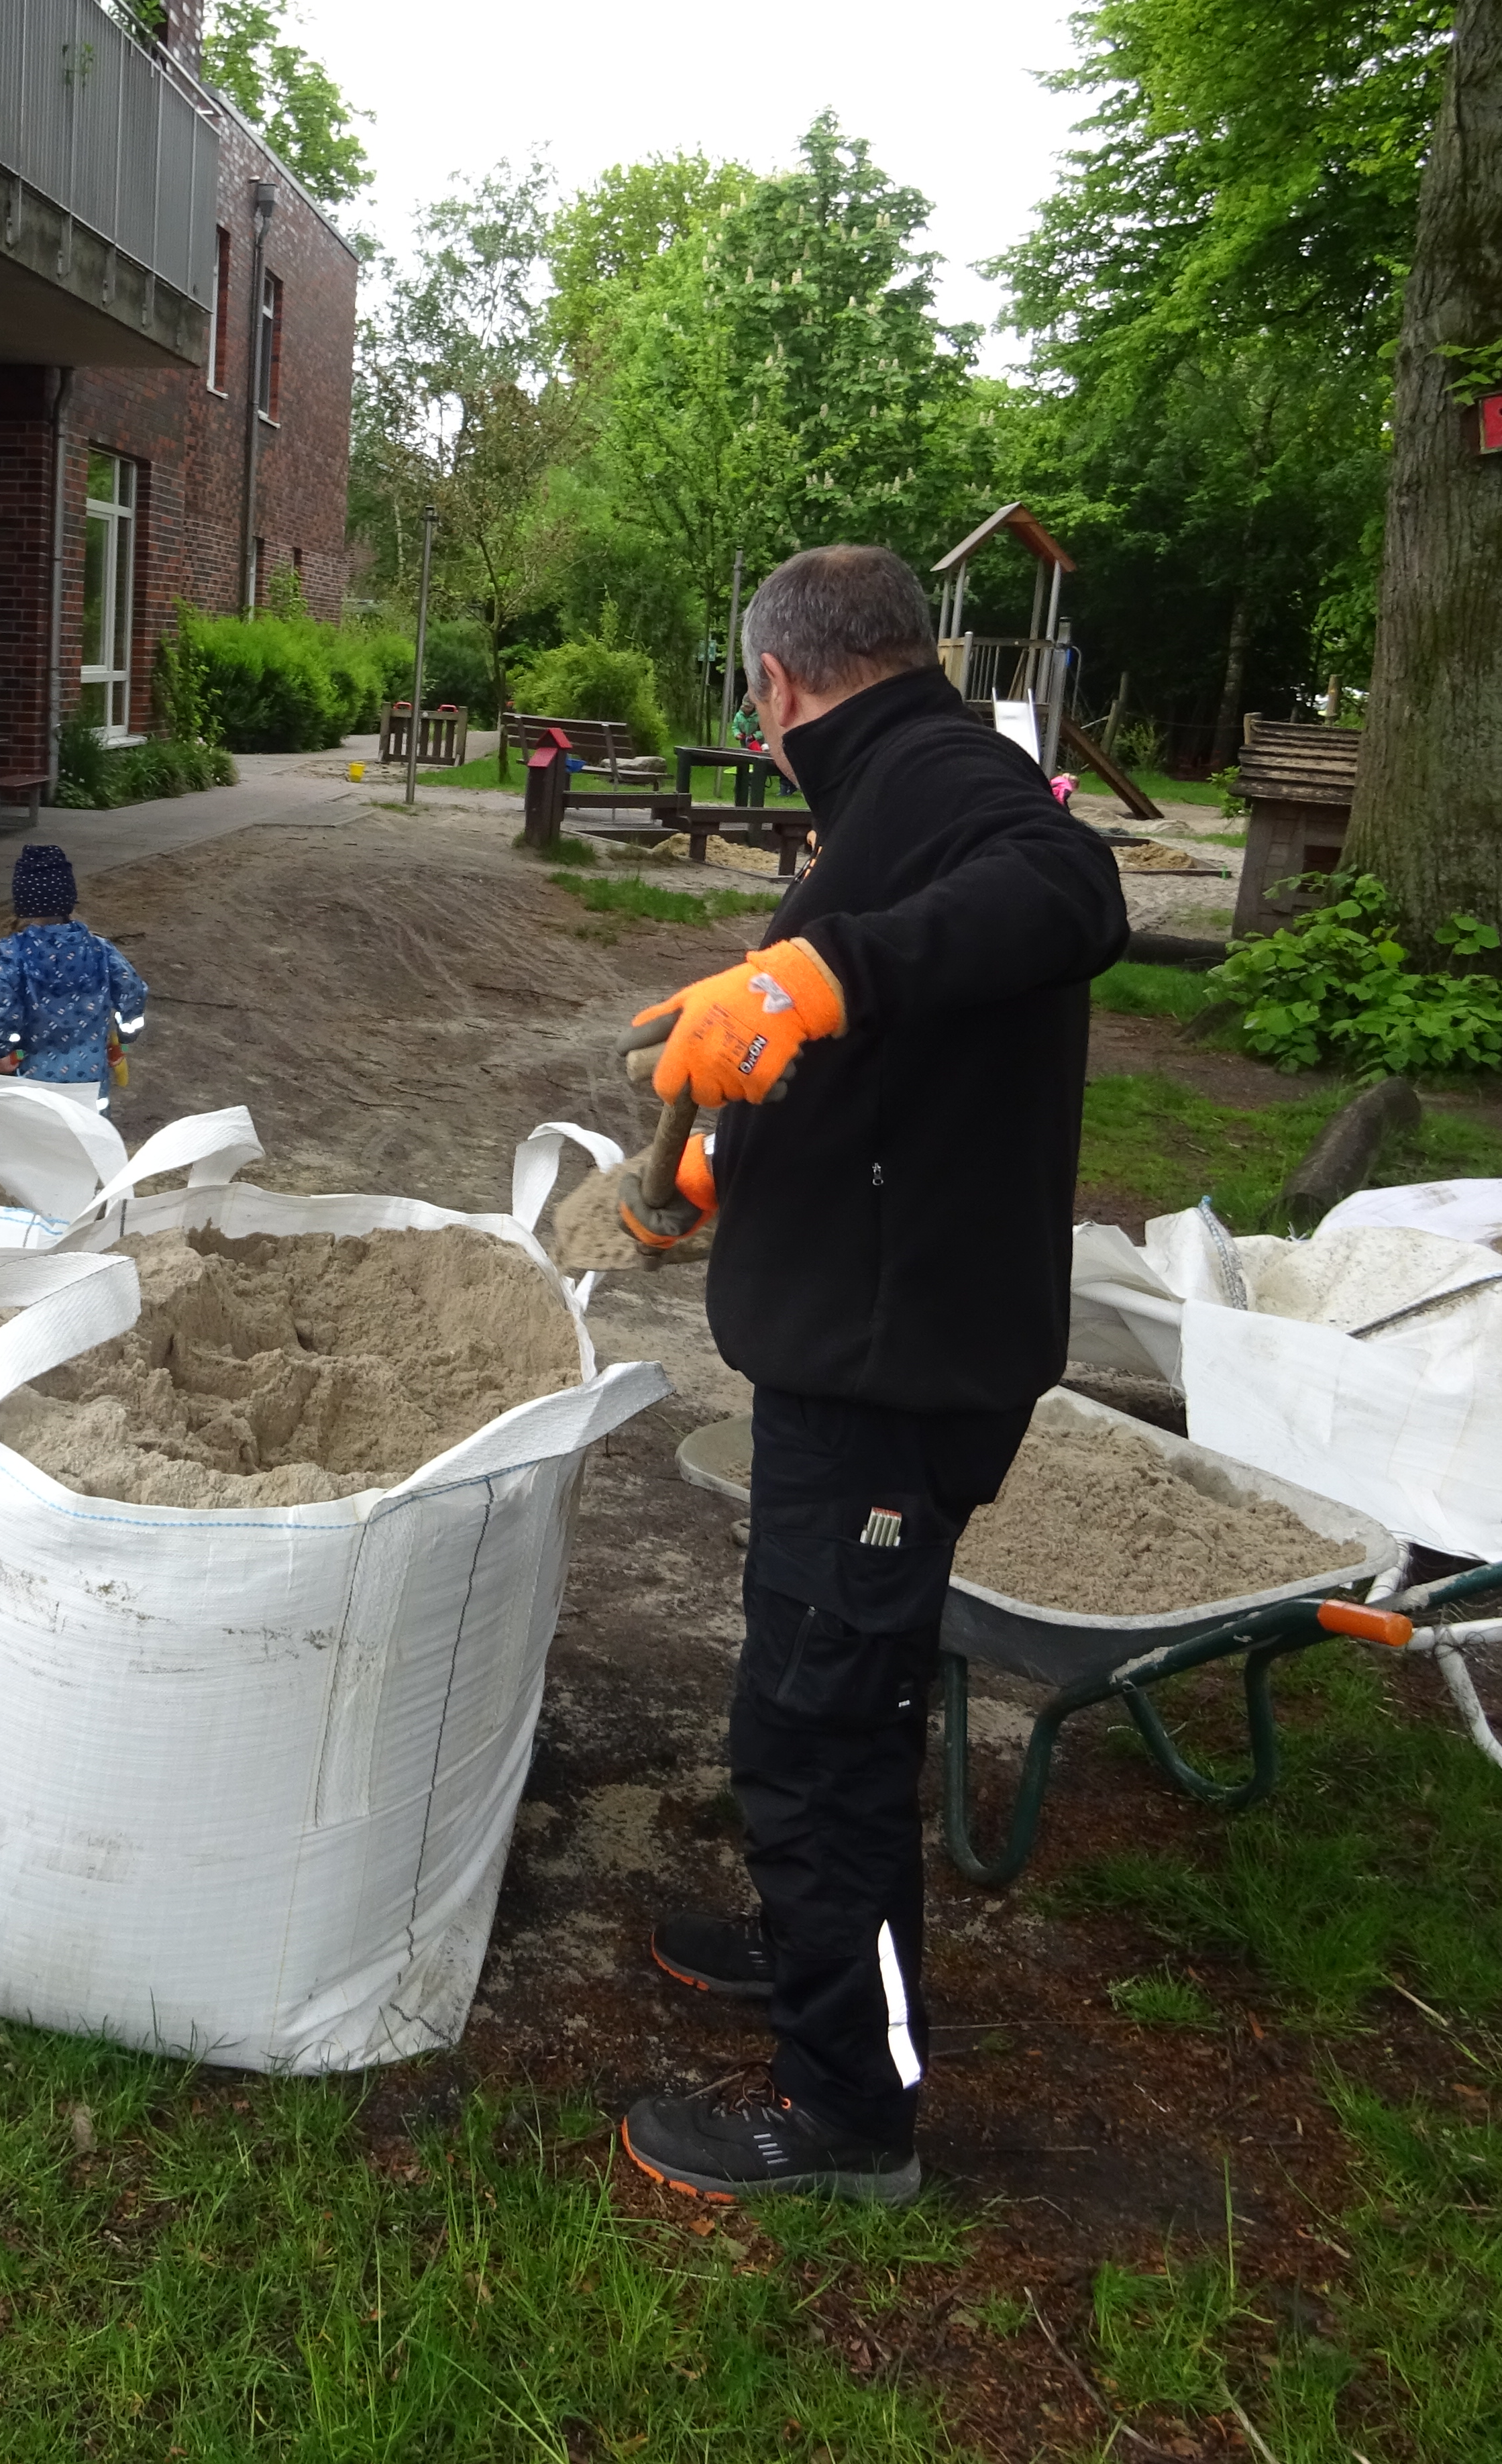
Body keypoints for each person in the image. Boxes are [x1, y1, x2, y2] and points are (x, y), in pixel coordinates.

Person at [615, 545, 1128, 2204]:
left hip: (896, 1377)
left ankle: (849, 2115)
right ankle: (808, 1950)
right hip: (864, 1340)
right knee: (805, 1688)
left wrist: (815, 970)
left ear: (771, 685)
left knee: (823, 1731)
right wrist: (725, 1176)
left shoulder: (956, 780)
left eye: (751, 701)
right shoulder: (896, 784)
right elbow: (893, 1069)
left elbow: (1069, 895)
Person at [0, 845, 148, 1093]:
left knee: (38, 1128)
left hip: (34, 1079)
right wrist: (125, 1036)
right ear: (68, 900)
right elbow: (132, 992)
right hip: (91, 1080)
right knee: (89, 1128)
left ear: (22, 903)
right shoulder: (102, 951)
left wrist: (0, 1049)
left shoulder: (13, 955)